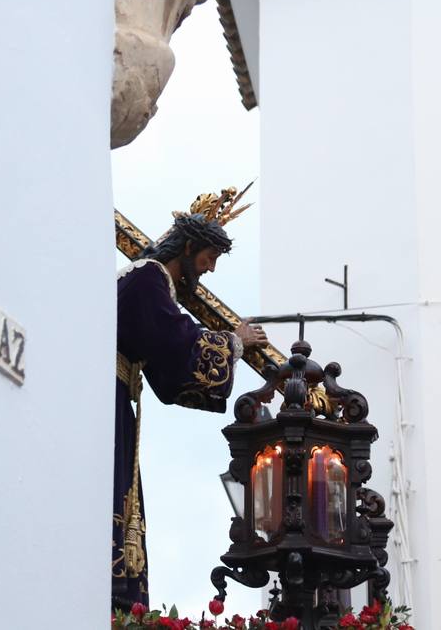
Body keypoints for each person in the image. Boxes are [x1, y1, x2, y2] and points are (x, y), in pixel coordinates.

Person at [113, 186, 268, 611]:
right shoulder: (147, 277)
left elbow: (168, 366)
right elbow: (174, 342)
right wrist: (234, 343)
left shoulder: (151, 281)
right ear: (187, 247)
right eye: (208, 258)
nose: (210, 269)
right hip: (109, 405)